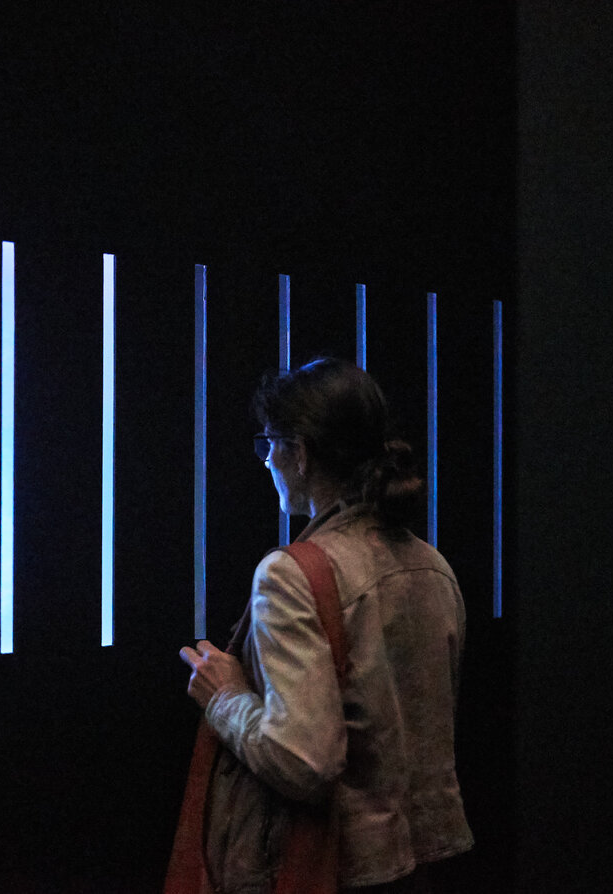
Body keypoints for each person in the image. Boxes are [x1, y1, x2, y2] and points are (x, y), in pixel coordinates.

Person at [179, 358, 473, 893]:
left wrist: (223, 697)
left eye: (270, 443)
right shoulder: (434, 568)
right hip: (420, 864)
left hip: (330, 868)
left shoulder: (289, 575)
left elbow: (303, 761)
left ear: (301, 452)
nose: (266, 460)